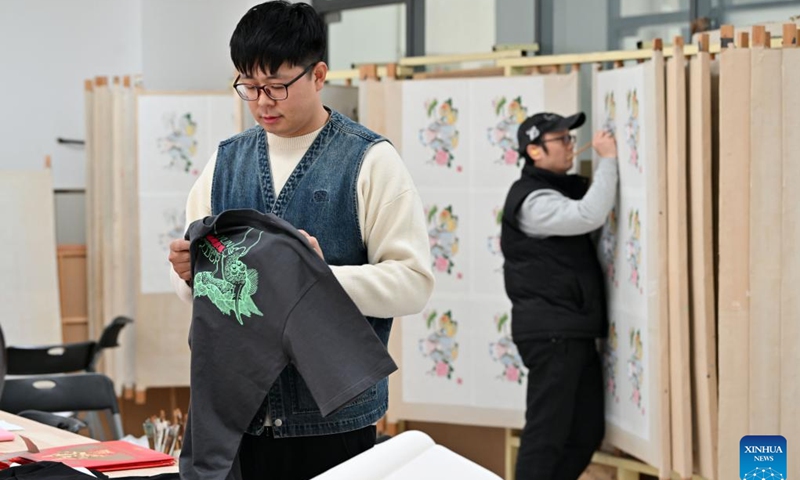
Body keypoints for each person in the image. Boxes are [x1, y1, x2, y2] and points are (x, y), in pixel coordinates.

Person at [167, 2, 434, 478]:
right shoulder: (225, 162)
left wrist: (316, 278)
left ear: (319, 75)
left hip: (333, 421)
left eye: (277, 86)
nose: (262, 101)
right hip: (237, 417)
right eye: (249, 86)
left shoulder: (369, 161)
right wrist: (189, 274)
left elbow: (413, 283)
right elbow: (199, 295)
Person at [500, 112, 618, 480]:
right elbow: (588, 215)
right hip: (552, 335)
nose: (571, 146)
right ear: (534, 150)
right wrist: (609, 161)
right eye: (562, 140)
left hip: (571, 330)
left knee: (585, 434)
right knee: (545, 436)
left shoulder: (555, 187)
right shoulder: (533, 201)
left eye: (570, 137)